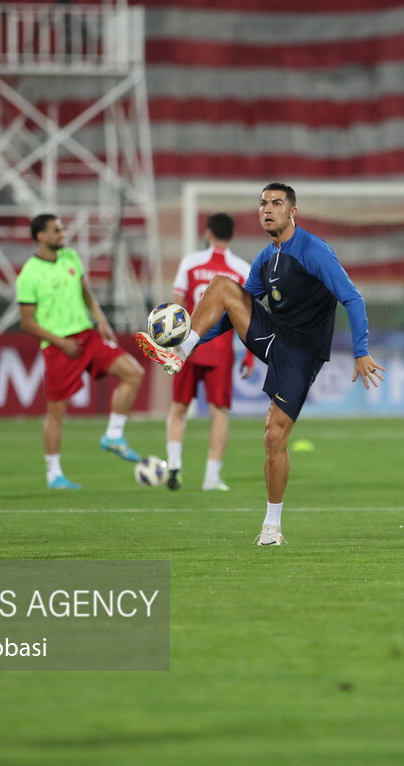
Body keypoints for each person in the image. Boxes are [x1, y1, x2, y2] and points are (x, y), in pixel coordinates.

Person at [138, 183, 385, 546]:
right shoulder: (264, 260)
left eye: (276, 203)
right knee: (222, 286)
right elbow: (232, 312)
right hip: (272, 337)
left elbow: (352, 297)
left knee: (273, 436)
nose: (267, 209)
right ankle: (180, 350)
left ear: (292, 212)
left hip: (302, 353)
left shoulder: (313, 250)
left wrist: (361, 350)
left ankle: (272, 526)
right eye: (263, 203)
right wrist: (193, 339)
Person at [16, 213, 145, 489]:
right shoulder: (29, 274)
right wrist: (60, 342)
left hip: (87, 335)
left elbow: (85, 291)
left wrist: (100, 319)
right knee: (56, 412)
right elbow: (27, 322)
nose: (62, 234)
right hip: (58, 345)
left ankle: (113, 435)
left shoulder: (70, 257)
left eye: (61, 229)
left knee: (133, 373)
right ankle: (54, 474)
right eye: (56, 230)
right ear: (41, 236)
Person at [166, 213, 256, 491]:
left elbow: (177, 306)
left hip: (187, 347)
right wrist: (251, 354)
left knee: (179, 408)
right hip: (220, 350)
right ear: (231, 235)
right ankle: (211, 477)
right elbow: (248, 315)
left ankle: (173, 467)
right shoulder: (242, 269)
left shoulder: (191, 263)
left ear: (207, 233)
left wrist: (171, 345)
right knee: (219, 412)